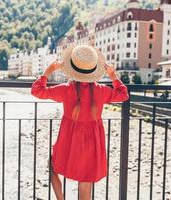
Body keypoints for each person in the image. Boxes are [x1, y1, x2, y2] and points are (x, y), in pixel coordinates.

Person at [31, 44, 129, 200]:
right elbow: (123, 95)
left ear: (72, 69)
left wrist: (48, 72)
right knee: (85, 187)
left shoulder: (66, 89)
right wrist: (113, 75)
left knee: (53, 167)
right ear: (94, 70)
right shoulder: (101, 90)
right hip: (93, 142)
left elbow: (37, 90)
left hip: (69, 139)